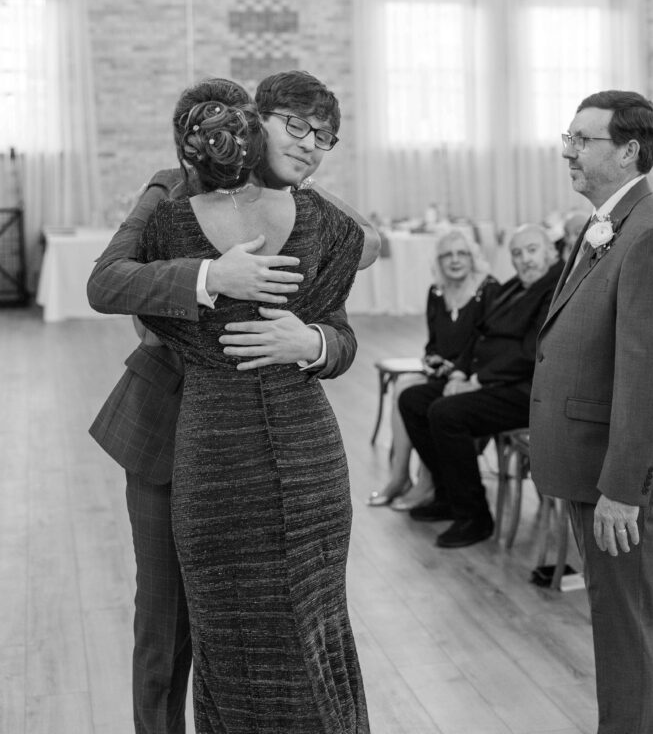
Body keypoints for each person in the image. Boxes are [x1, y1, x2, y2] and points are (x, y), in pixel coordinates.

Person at [88, 72, 378, 734]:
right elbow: (106, 281)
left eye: (324, 137)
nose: (309, 146)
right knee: (169, 630)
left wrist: (310, 340)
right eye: (296, 128)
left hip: (280, 443)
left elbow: (342, 330)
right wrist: (209, 276)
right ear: (257, 120)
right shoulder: (171, 185)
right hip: (171, 433)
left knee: (276, 617)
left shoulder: (313, 211)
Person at [530, 90, 653, 734]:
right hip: (591, 464)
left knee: (621, 626)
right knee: (640, 610)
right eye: (567, 137)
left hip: (616, 480)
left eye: (581, 140)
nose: (568, 149)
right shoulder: (606, 224)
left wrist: (624, 492)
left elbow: (651, 382)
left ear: (627, 151)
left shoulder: (651, 234)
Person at [399, 224, 562, 549]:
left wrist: (477, 381)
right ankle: (448, 494)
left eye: (532, 250)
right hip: (488, 381)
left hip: (526, 391)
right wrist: (459, 374)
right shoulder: (515, 285)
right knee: (413, 400)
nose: (525, 260)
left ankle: (474, 516)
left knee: (447, 414)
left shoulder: (556, 290)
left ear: (551, 253)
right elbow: (478, 334)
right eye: (517, 253)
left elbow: (532, 352)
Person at [366, 226, 499, 510]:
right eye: (447, 255)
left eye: (461, 253)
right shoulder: (436, 291)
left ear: (473, 257)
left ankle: (425, 480)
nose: (454, 260)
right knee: (403, 386)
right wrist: (432, 359)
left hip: (472, 377)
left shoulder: (488, 289)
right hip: (442, 373)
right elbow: (433, 344)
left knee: (418, 397)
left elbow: (489, 345)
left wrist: (457, 368)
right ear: (438, 261)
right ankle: (400, 476)